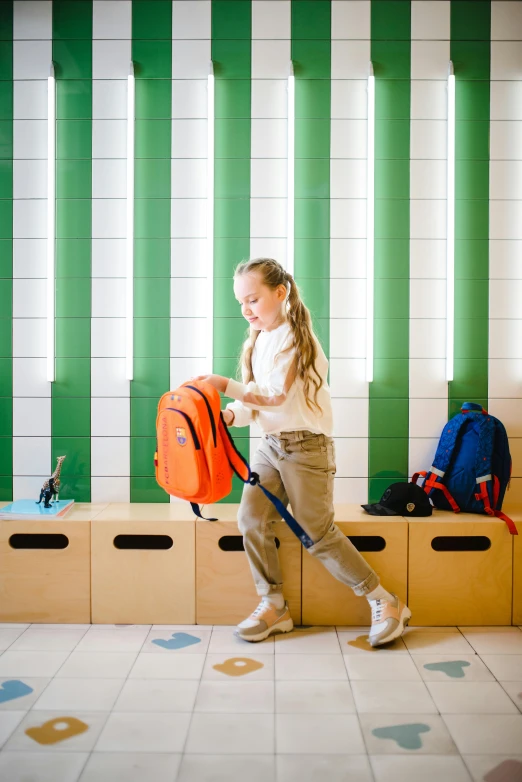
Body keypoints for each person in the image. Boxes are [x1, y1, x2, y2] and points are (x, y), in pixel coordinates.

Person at [193, 257, 411, 646]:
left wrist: (222, 383)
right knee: (250, 519)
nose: (246, 309)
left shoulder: (294, 337)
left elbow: (276, 396)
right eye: (241, 302)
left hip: (306, 447)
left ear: (280, 293)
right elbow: (256, 402)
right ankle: (273, 605)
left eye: (254, 299)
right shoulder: (258, 339)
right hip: (271, 445)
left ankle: (385, 600)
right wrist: (229, 414)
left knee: (317, 531)